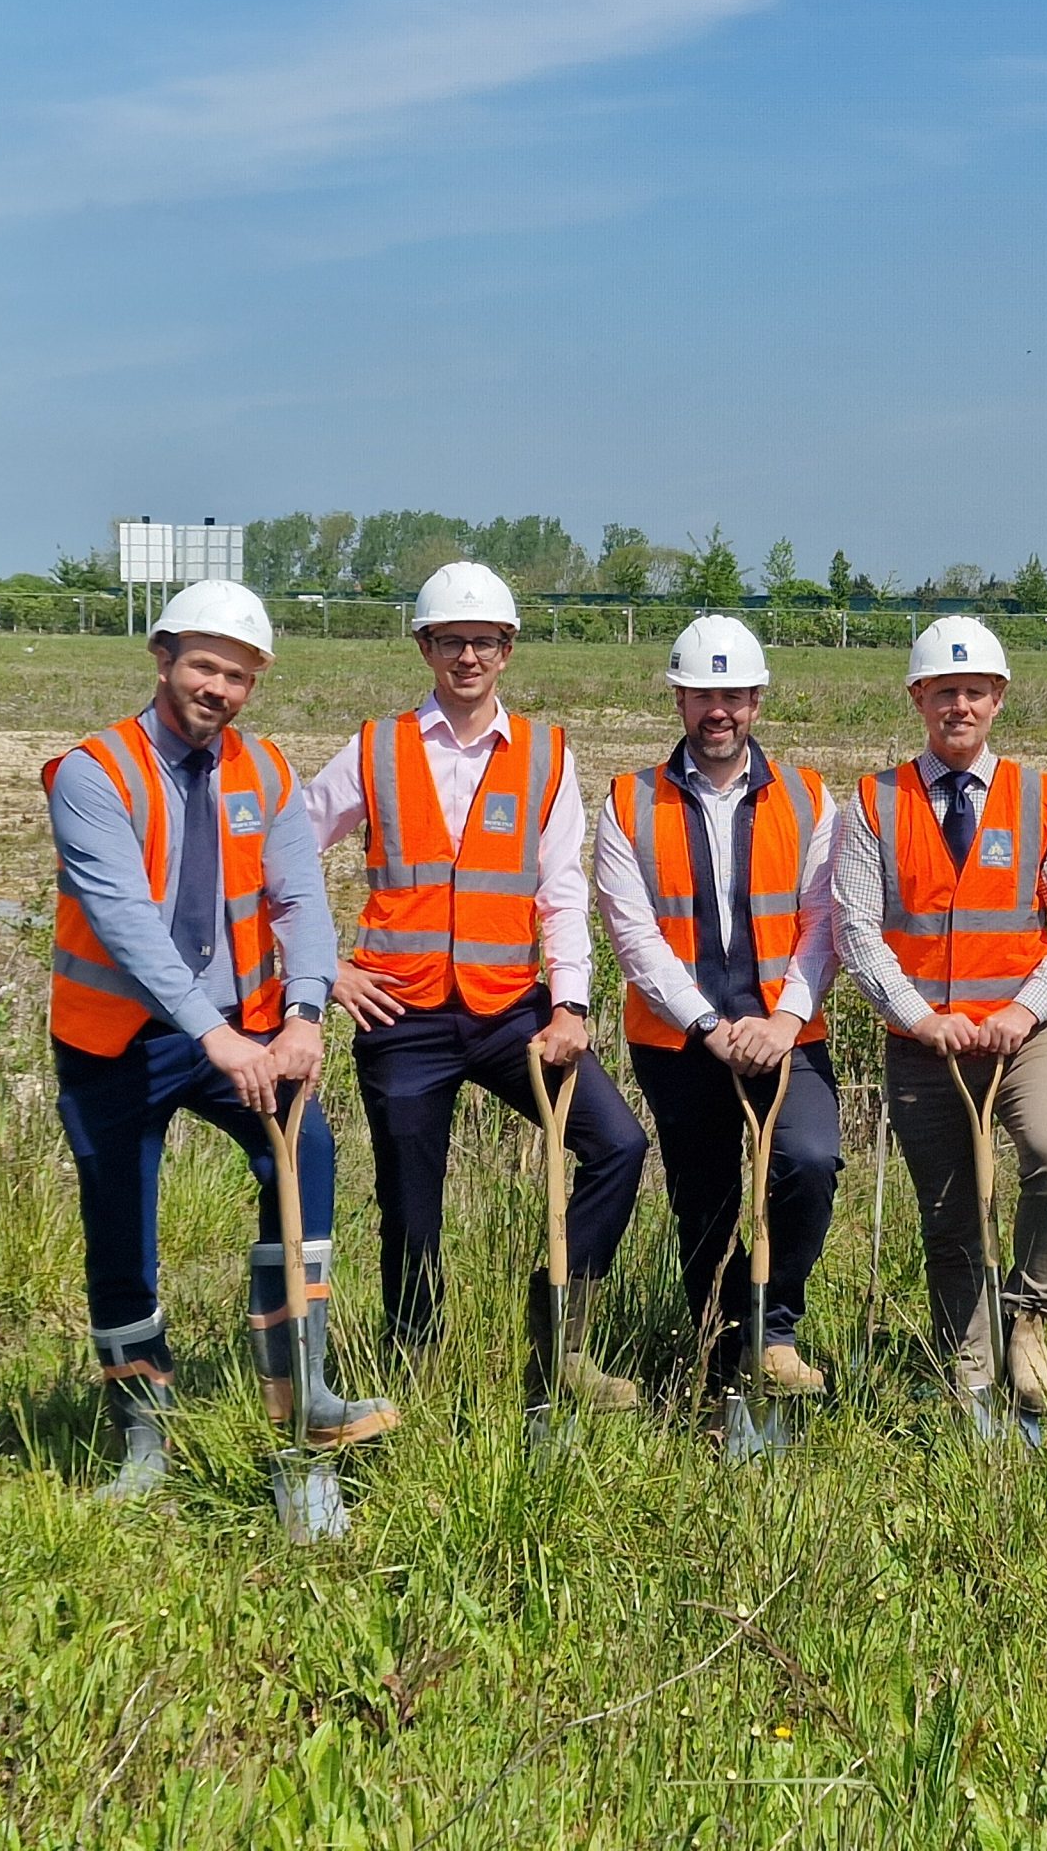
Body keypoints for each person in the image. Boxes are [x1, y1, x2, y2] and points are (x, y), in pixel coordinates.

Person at [45, 580, 396, 1502]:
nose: (220, 689)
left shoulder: (267, 773)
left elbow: (299, 902)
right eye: (205, 666)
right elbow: (124, 921)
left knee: (305, 1157)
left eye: (239, 676)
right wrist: (216, 1036)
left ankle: (301, 1395)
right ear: (162, 658)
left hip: (245, 1031)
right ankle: (144, 1438)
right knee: (122, 1229)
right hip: (118, 1043)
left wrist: (305, 1015)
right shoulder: (95, 772)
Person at [303, 561, 649, 1420]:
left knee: (618, 1147)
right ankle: (414, 1366)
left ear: (508, 651)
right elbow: (286, 858)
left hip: (512, 1014)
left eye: (485, 642)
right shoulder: (375, 748)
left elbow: (562, 887)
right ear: (424, 647)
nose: (468, 657)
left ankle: (560, 1329)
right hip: (402, 1017)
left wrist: (570, 1004)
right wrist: (324, 970)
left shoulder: (544, 753)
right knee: (409, 1210)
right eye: (452, 641)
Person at [831, 616, 1047, 1417]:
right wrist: (918, 1016)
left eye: (974, 691)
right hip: (926, 1045)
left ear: (998, 699)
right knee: (950, 1215)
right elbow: (856, 926)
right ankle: (971, 1362)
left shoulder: (1039, 796)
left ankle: (1029, 1322)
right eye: (943, 691)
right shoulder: (877, 801)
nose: (960, 705)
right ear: (918, 698)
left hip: (1027, 1036)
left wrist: (1025, 1008)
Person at [594, 615, 843, 1396]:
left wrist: (783, 1021)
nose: (719, 710)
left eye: (733, 694)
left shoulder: (806, 797)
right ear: (678, 699)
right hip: (678, 1041)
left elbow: (823, 924)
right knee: (703, 1201)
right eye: (703, 694)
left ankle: (769, 1329)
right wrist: (706, 1024)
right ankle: (718, 1358)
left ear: (758, 700)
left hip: (785, 1033)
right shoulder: (627, 802)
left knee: (809, 1161)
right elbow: (632, 936)